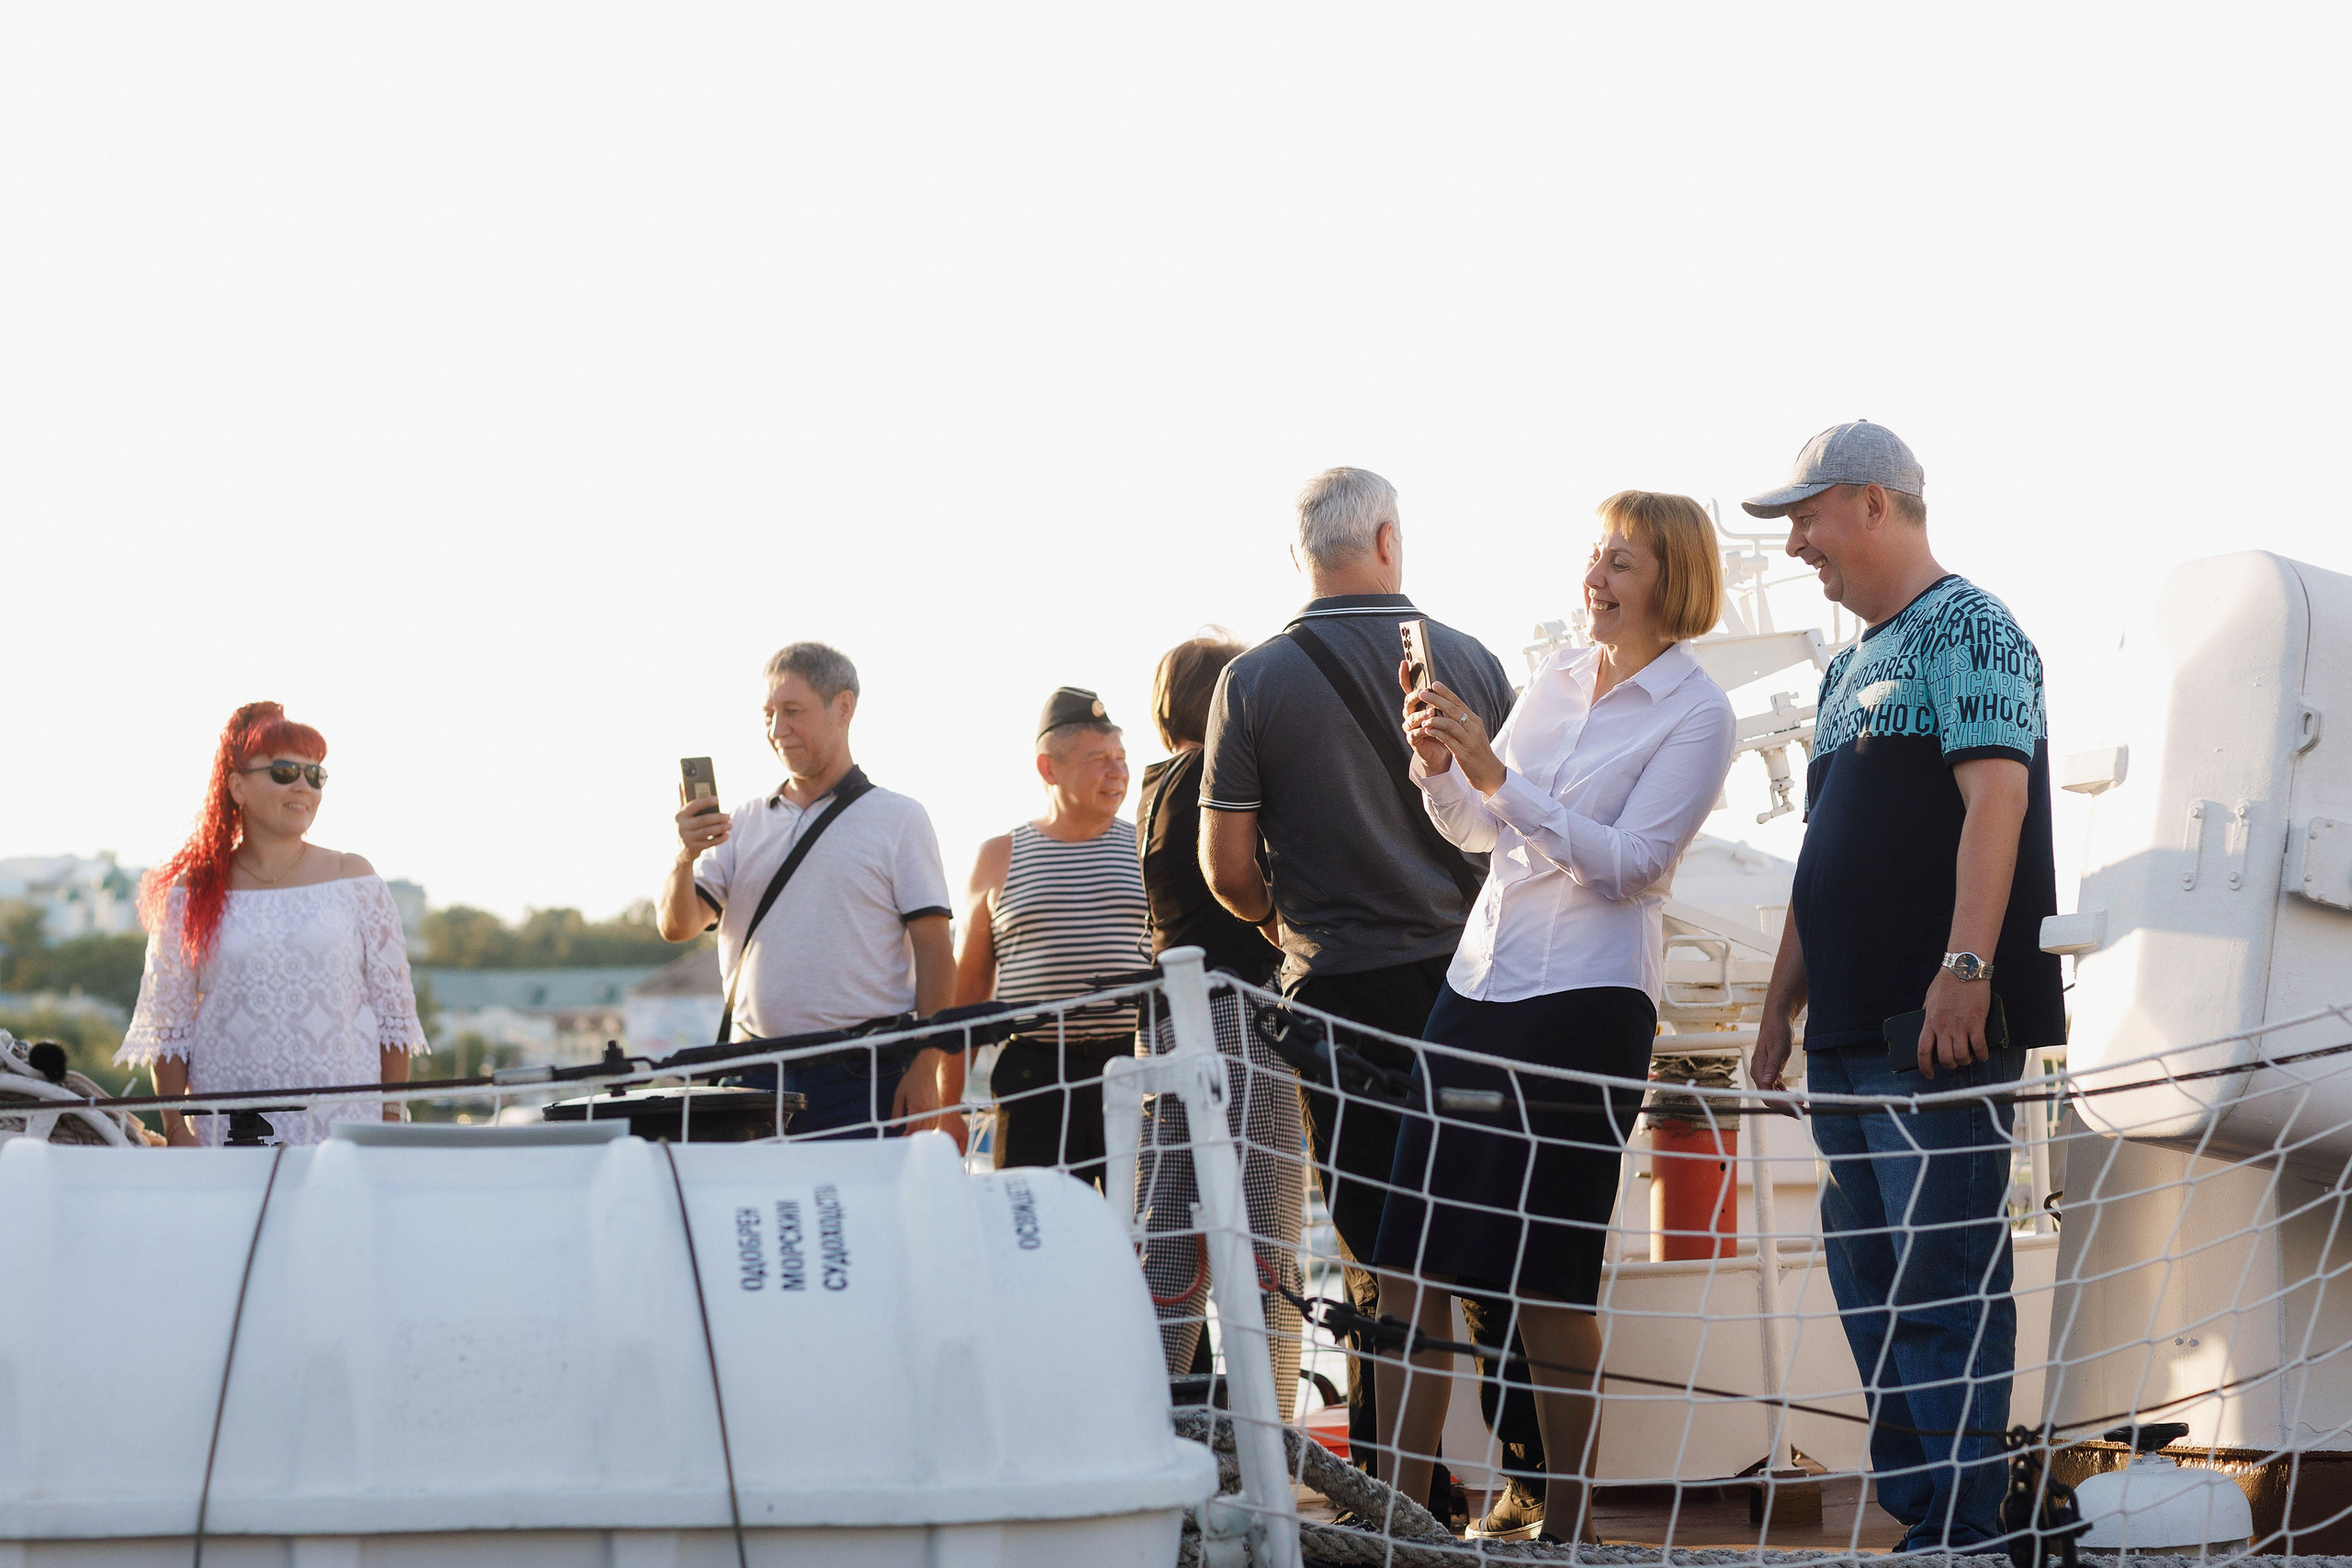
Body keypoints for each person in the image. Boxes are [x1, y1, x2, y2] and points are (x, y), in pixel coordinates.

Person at [1367, 492, 1736, 1545]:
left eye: (1620, 560)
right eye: (1595, 556)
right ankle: (1403, 1524)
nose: (1596, 576)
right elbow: (1480, 828)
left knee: (1547, 1277)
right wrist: (1440, 765)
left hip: (1586, 1004)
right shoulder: (1557, 679)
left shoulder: (1697, 713)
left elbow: (1631, 866)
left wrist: (1491, 771)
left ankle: (1568, 1531)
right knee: (1412, 1259)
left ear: (1672, 579)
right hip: (1477, 987)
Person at [1744, 422, 2064, 1552]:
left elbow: (1997, 803)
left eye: (1805, 516)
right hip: (1844, 1037)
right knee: (1872, 1292)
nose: (1794, 545)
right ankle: (1923, 1517)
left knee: (1941, 1285)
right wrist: (1778, 1004)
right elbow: (1822, 850)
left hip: (1929, 1033)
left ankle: (1963, 1534)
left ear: (1872, 503)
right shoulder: (1843, 669)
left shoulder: (1971, 628)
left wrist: (1964, 970)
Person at [1198, 466, 1528, 1524]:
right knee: (1492, 1233)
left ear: (1300, 551)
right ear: (1387, 537)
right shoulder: (1471, 658)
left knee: (1385, 1257)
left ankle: (1399, 1499)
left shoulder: (1251, 681)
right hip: (1476, 983)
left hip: (1339, 996)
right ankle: (1528, 1484)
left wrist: (1284, 926)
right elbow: (1522, 822)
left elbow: (1227, 869)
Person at [655, 642, 957, 1140]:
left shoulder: (900, 817)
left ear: (844, 708)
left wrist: (927, 1068)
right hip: (752, 1073)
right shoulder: (744, 822)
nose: (777, 731)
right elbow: (676, 926)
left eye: (793, 712)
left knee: (858, 1217)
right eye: (769, 715)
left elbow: (935, 951)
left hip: (863, 1075)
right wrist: (683, 857)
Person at [118, 702, 428, 1145]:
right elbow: (169, 1027)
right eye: (285, 772)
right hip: (229, 1129)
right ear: (238, 786)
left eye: (315, 774)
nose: (304, 785)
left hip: (346, 1128)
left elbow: (394, 1017)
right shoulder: (192, 892)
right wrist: (175, 1128)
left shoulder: (354, 878)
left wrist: (391, 1121)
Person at [1133, 634, 1306, 1405]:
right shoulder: (1215, 777)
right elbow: (1243, 878)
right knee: (1269, 1240)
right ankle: (1272, 1441)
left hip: (1168, 1022)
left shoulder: (1154, 786)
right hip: (1240, 1018)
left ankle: (1150, 1425)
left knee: (1169, 1247)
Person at [954, 687, 1149, 1186]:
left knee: (1142, 1245)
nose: (1117, 771)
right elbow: (968, 990)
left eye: (1121, 758)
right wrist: (945, 1107)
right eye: (1098, 758)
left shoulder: (1149, 846)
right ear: (1048, 768)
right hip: (1033, 1079)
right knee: (1034, 1238)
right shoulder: (998, 856)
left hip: (1134, 1074)